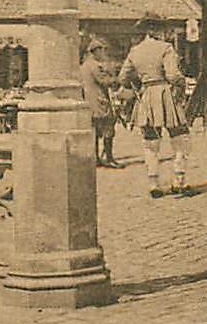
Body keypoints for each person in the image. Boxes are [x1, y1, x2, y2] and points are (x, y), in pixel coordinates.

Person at [116, 12, 193, 197]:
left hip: (147, 97)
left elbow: (122, 77)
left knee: (150, 141)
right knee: (180, 136)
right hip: (166, 95)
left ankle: (153, 184)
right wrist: (182, 83)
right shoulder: (166, 48)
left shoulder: (135, 51)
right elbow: (173, 75)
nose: (164, 32)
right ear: (156, 29)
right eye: (161, 28)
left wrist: (140, 83)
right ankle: (179, 182)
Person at [80, 35, 118, 168]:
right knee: (109, 129)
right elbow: (105, 81)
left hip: (90, 102)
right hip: (99, 102)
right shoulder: (96, 66)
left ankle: (95, 158)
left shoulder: (84, 66)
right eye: (101, 50)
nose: (103, 53)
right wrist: (115, 78)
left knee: (95, 132)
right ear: (95, 51)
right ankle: (109, 158)